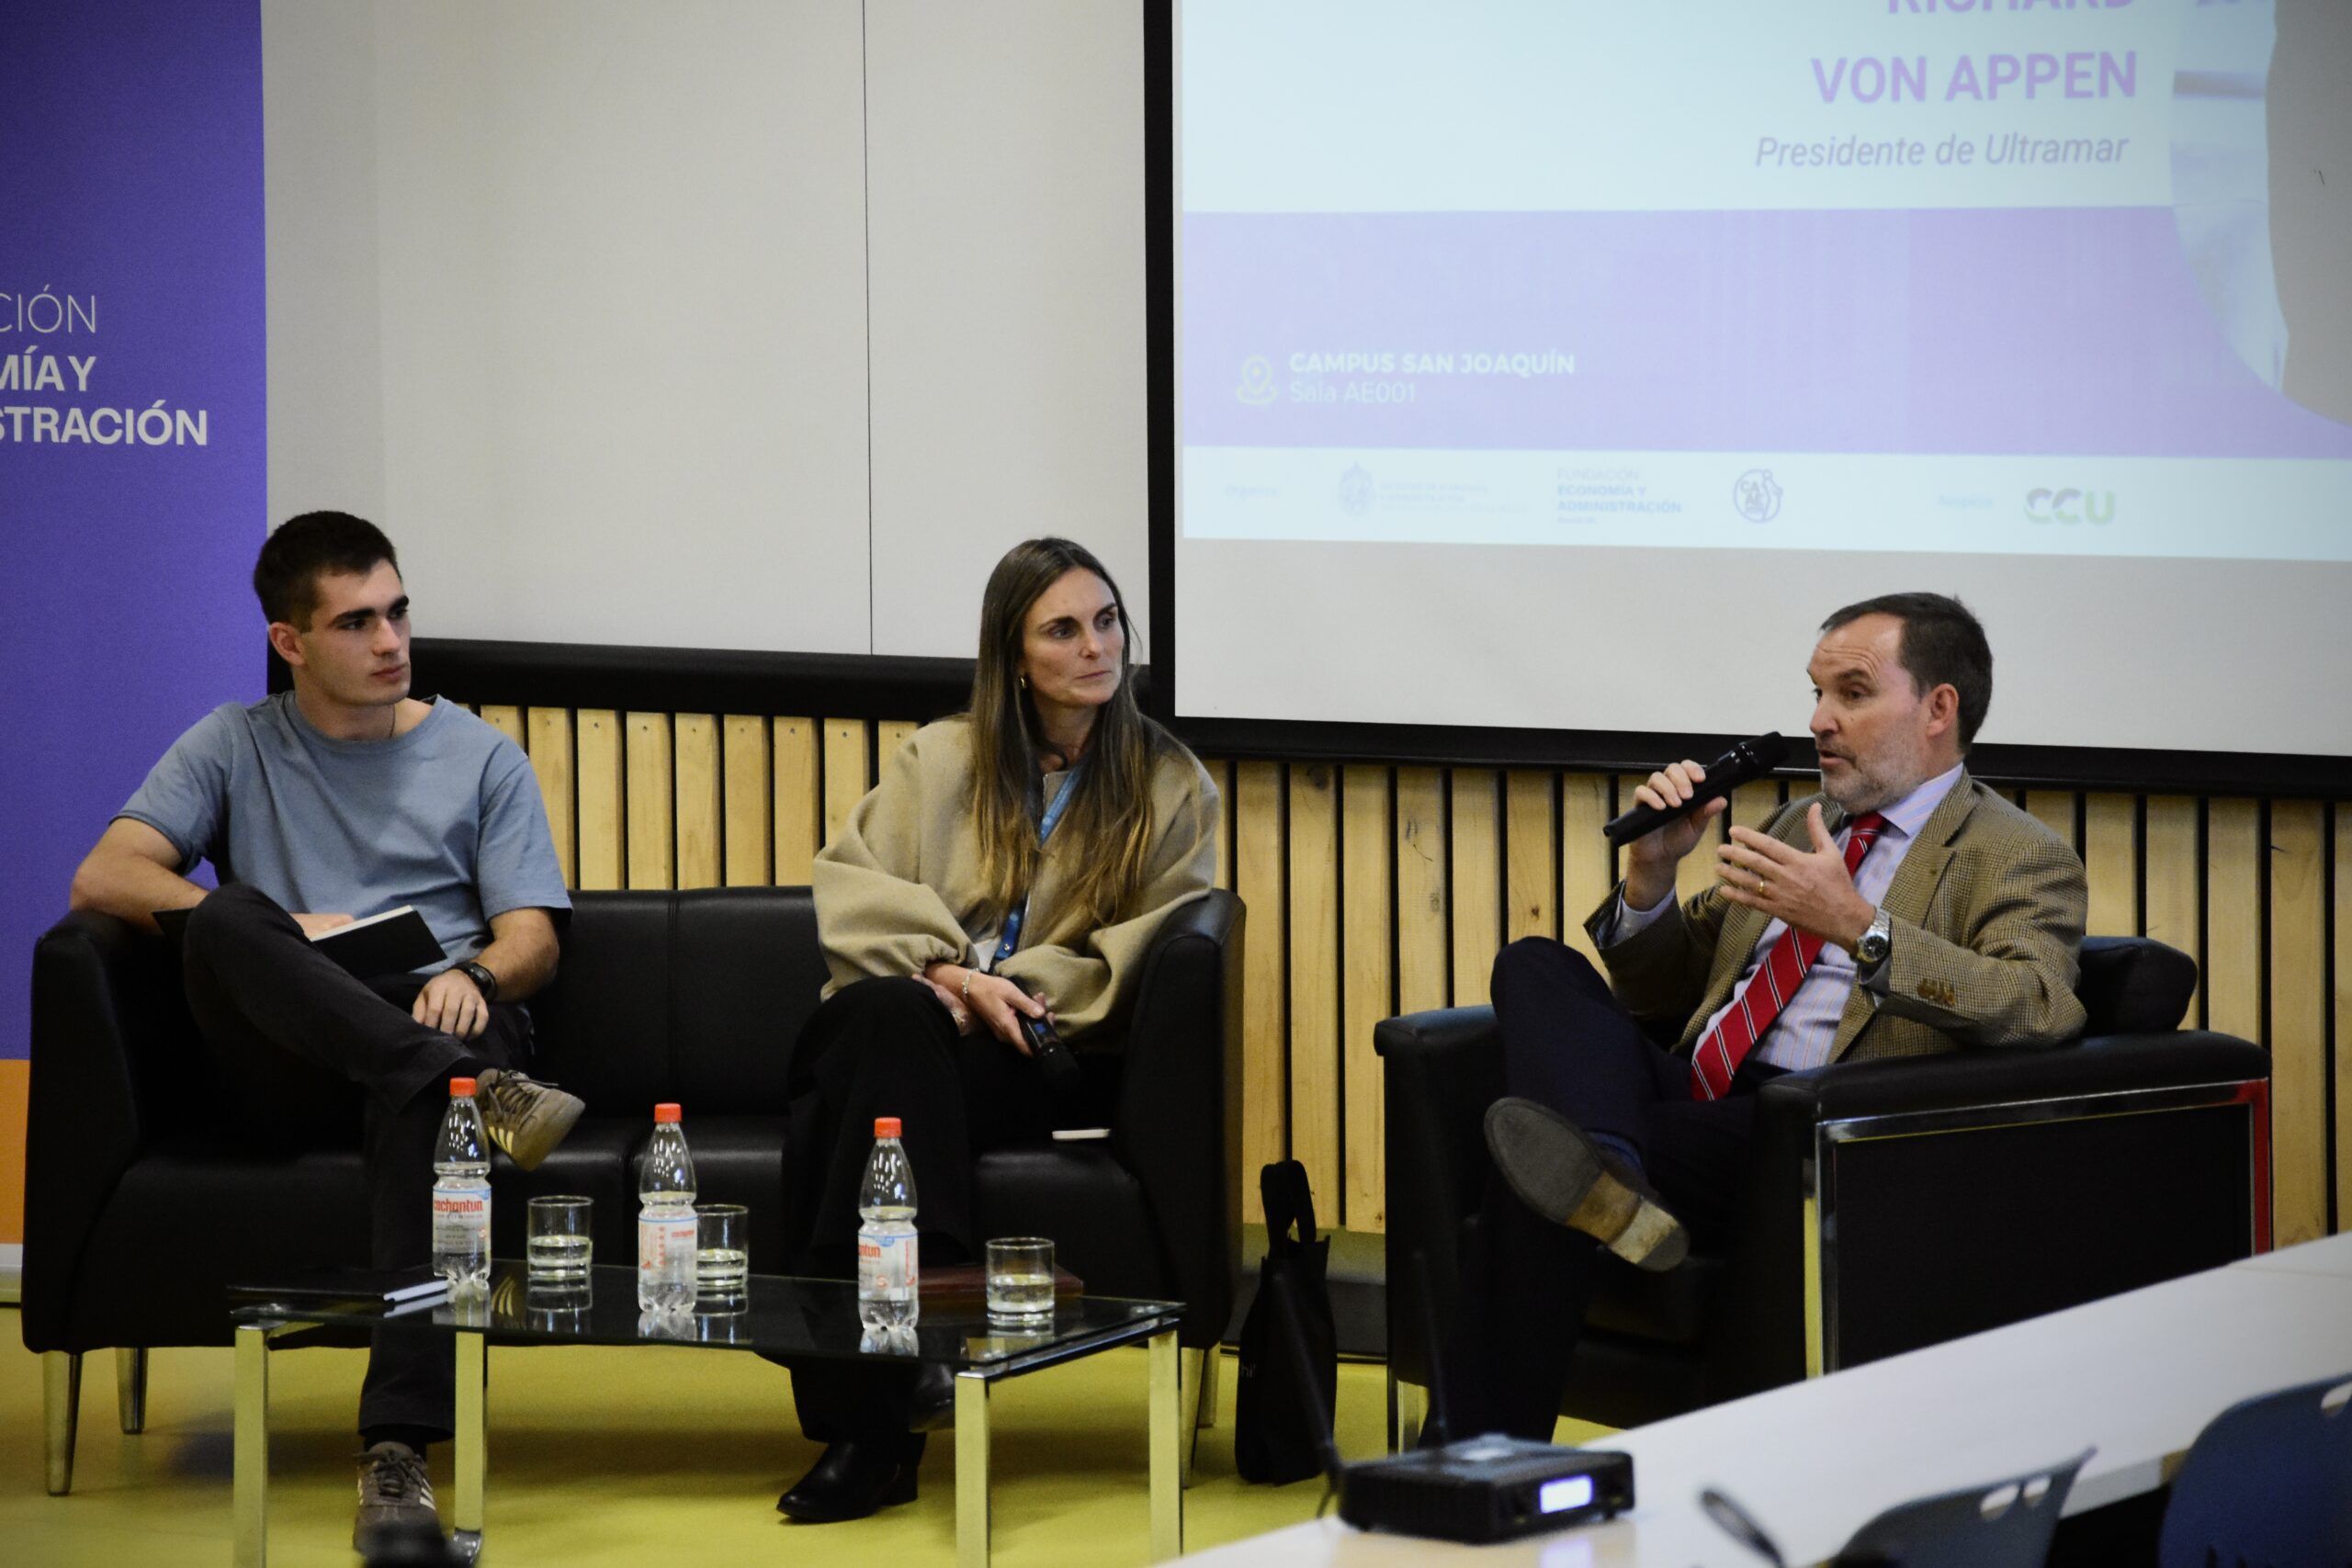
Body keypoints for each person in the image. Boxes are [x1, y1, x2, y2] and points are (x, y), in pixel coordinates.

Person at [66, 512, 582, 1549]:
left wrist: (474, 973)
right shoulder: (233, 742)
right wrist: (294, 933)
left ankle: (395, 1457)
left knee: (427, 1091)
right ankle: (457, 1084)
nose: (391, 642)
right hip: (292, 1055)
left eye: (397, 613)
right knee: (226, 914)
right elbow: (104, 875)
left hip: (446, 1014)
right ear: (289, 642)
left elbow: (532, 937)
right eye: (357, 623)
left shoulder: (480, 754)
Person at [1466, 592, 2087, 1439]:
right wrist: (1650, 880)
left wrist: (1860, 928)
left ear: (1939, 707)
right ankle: (1604, 1171)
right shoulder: (1801, 821)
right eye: (1817, 693)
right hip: (1699, 1099)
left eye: (1853, 693)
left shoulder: (2015, 853)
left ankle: (1474, 1458)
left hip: (1811, 1127)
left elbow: (2039, 1004)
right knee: (1534, 965)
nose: (1820, 720)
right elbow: (1668, 989)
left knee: (1535, 1163)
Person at [775, 536, 1219, 1522]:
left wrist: (996, 989)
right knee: (888, 1024)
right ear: (1014, 658)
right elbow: (851, 888)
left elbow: (1136, 948)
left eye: (1106, 621)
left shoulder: (1170, 784)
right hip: (911, 1030)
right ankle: (917, 1339)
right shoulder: (938, 758)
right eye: (1063, 629)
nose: (1096, 646)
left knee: (841, 1097)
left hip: (1040, 1053)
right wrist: (945, 973)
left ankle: (870, 1427)